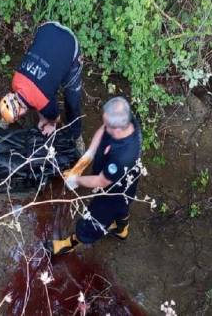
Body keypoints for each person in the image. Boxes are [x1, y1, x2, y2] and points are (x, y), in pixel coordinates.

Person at [47, 96, 142, 255]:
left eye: (108, 125)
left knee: (94, 220)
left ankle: (72, 242)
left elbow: (102, 181)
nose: (104, 126)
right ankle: (121, 229)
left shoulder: (123, 156)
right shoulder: (126, 120)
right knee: (123, 205)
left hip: (112, 191)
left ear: (117, 130)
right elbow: (103, 128)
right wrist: (88, 155)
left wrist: (75, 179)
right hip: (128, 182)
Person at [0, 21, 84, 152]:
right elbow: (36, 95)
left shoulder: (44, 102)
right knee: (46, 85)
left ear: (21, 112)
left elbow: (55, 117)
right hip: (47, 29)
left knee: (72, 97)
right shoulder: (16, 81)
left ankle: (77, 134)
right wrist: (42, 117)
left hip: (69, 44)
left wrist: (51, 123)